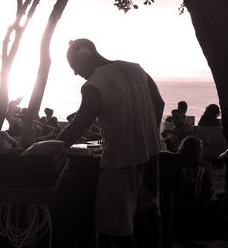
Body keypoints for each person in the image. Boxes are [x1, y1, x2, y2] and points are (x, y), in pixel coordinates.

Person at [56, 38, 164, 248]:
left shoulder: (93, 85)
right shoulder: (137, 69)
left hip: (120, 163)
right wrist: (147, 133)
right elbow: (158, 103)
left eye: (74, 67)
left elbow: (78, 126)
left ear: (85, 56)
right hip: (151, 158)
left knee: (115, 232)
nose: (75, 73)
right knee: (146, 220)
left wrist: (49, 146)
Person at [174, 136, 214, 239]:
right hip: (194, 218)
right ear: (198, 153)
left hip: (174, 217)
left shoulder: (174, 168)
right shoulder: (202, 173)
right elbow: (207, 197)